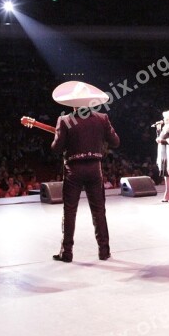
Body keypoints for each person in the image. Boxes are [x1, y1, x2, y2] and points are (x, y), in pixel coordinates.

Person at [50, 81, 120, 262]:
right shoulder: (102, 118)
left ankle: (67, 253)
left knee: (70, 211)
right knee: (99, 211)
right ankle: (104, 251)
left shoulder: (65, 120)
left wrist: (59, 135)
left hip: (73, 169)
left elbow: (56, 148)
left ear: (73, 103)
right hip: (95, 169)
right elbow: (115, 142)